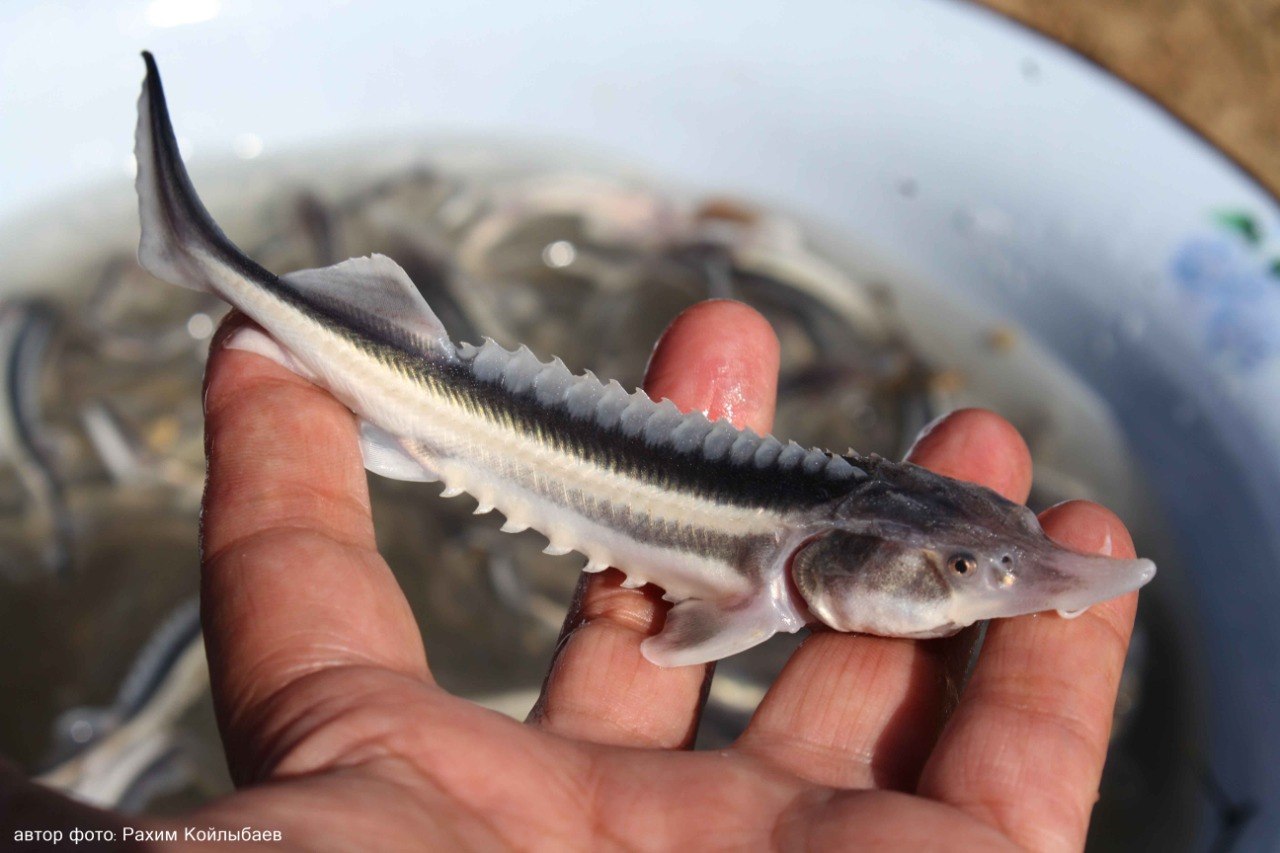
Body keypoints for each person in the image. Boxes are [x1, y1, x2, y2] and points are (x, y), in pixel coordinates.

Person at [1, 300, 1141, 850]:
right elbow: (682, 636)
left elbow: (687, 632)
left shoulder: (806, 559)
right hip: (449, 401)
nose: (999, 591)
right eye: (963, 571)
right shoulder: (777, 579)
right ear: (846, 558)